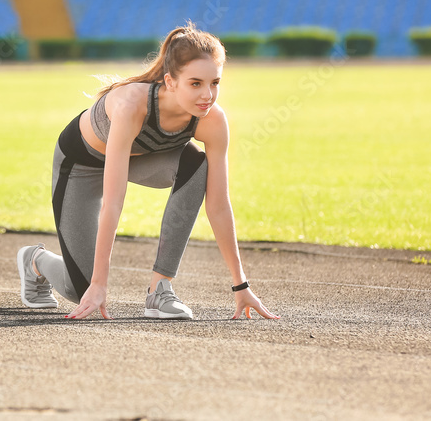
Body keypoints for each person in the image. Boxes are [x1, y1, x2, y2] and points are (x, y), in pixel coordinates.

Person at [17, 22, 279, 321]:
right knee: (81, 289)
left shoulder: (212, 120)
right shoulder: (132, 105)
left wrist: (240, 285)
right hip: (80, 165)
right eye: (195, 83)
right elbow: (113, 203)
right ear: (170, 82)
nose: (207, 94)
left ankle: (160, 290)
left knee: (196, 165)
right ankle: (35, 260)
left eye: (215, 83)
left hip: (139, 159)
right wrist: (100, 284)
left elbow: (219, 205)